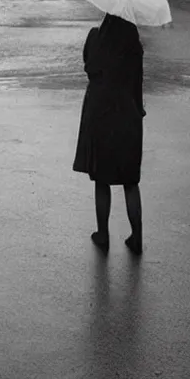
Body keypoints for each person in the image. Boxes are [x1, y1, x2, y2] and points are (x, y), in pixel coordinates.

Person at [73, 13, 145, 255]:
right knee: (130, 181)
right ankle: (136, 237)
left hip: (99, 114)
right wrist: (139, 110)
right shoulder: (133, 43)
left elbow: (88, 67)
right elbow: (138, 82)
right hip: (127, 114)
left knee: (101, 179)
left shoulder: (95, 37)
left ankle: (102, 234)